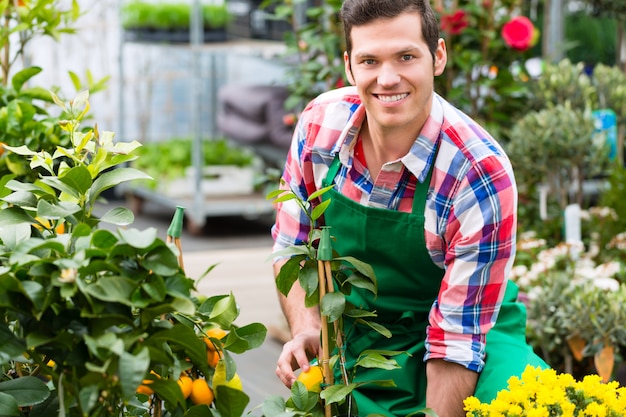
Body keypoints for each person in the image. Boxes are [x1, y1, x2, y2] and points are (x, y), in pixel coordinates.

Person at [271, 1, 547, 416]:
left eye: (405, 56)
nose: (387, 78)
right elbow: (291, 249)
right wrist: (308, 327)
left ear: (437, 56)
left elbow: (457, 342)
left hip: (472, 333)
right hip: (357, 334)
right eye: (369, 60)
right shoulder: (319, 128)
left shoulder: (477, 172)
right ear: (349, 67)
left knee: (520, 406)